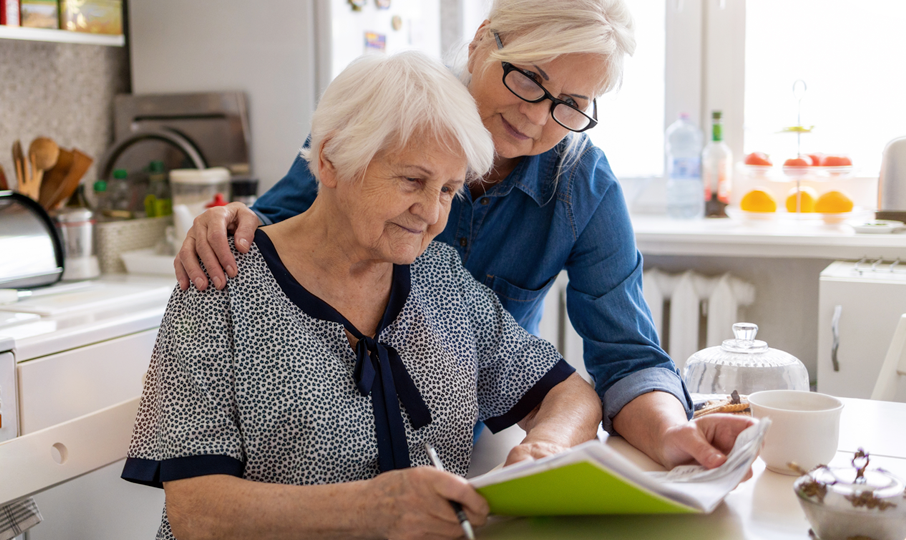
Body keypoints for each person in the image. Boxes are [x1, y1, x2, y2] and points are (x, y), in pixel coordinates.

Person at [173, 0, 755, 474]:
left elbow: (626, 356)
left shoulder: (581, 184)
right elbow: (276, 231)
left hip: (463, 438)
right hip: (324, 441)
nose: (537, 118)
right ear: (482, 42)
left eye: (571, 106)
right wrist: (229, 219)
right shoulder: (389, 112)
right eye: (530, 78)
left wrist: (673, 433)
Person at [124, 51, 605, 539]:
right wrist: (372, 510)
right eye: (413, 180)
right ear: (332, 159)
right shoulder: (221, 283)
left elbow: (570, 395)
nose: (430, 215)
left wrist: (547, 447)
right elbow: (197, 514)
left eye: (447, 190)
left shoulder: (441, 277)